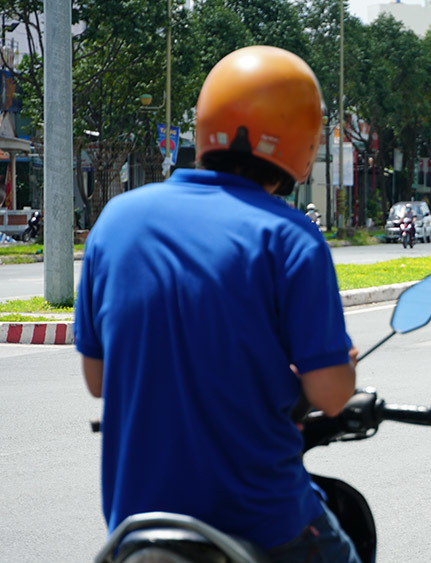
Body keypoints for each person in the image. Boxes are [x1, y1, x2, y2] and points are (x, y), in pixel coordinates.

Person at [75, 46, 360, 561]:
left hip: (136, 524)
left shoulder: (115, 221)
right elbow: (333, 394)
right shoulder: (291, 236)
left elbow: (98, 380)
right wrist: (337, 368)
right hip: (264, 523)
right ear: (301, 138)